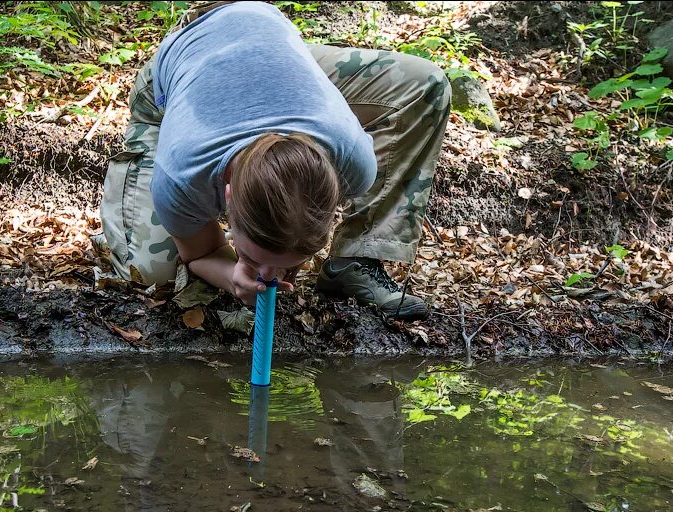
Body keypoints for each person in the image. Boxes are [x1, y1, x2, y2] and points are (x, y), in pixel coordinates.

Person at [96, 1, 451, 320]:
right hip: (189, 60)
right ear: (229, 197)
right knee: (151, 271)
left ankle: (354, 261)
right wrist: (232, 276)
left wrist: (262, 261)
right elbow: (199, 254)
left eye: (285, 268)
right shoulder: (184, 171)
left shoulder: (353, 162)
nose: (269, 278)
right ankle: (121, 220)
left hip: (271, 47)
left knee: (426, 84)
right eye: (253, 260)